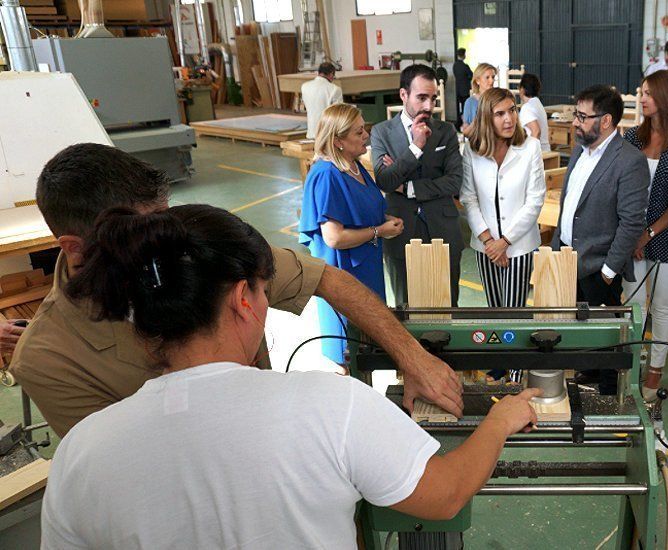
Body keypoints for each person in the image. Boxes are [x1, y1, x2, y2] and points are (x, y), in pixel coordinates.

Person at [40, 204, 541, 549]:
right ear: (243, 299)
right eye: (262, 290)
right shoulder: (331, 406)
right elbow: (446, 493)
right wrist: (501, 419)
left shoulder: (81, 454)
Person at [10, 144, 463, 438]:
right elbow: (131, 475)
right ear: (76, 249)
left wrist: (412, 355)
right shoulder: (50, 359)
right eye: (144, 233)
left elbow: (326, 277)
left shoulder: (195, 246)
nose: (169, 241)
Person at [551, 85, 649, 395]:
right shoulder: (579, 149)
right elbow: (569, 203)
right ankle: (587, 373)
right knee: (578, 326)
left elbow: (631, 221)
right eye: (575, 114)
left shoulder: (629, 160)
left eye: (582, 116)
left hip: (598, 267)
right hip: (567, 258)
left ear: (605, 121)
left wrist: (608, 270)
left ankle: (608, 394)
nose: (575, 122)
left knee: (605, 334)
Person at [298, 104, 403, 363]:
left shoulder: (354, 167)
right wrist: (379, 230)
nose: (366, 135)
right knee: (347, 354)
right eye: (358, 132)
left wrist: (385, 221)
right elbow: (334, 237)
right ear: (338, 141)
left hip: (366, 269)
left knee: (366, 348)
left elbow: (359, 212)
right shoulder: (326, 175)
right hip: (344, 276)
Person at [622, 70, 668, 400]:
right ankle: (632, 364)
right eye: (642, 92)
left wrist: (647, 234)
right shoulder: (633, 138)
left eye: (649, 93)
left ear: (667, 97)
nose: (642, 98)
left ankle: (655, 371)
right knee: (633, 304)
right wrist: (632, 234)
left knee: (662, 305)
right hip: (631, 233)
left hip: (665, 234)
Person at [371, 65, 465, 306]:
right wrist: (416, 147)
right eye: (421, 98)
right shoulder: (382, 132)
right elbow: (385, 180)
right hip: (400, 229)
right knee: (406, 306)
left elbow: (454, 181)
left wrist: (408, 188)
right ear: (403, 95)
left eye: (432, 98)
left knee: (448, 304)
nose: (428, 106)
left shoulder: (446, 131)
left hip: (443, 229)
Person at [461, 87, 545, 309]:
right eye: (499, 114)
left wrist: (504, 242)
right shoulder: (472, 150)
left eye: (512, 110)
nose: (508, 119)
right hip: (485, 246)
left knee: (513, 313)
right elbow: (468, 198)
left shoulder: (530, 147)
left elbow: (535, 200)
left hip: (519, 246)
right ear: (487, 117)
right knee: (494, 310)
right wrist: (490, 242)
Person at [301, 62, 343, 139]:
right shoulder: (335, 89)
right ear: (331, 74)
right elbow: (338, 114)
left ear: (319, 72)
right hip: (328, 135)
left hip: (311, 133)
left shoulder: (305, 86)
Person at [518, 73, 551, 152]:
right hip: (545, 150)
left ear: (522, 89)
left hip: (538, 153)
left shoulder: (527, 107)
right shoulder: (538, 103)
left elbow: (536, 131)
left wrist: (530, 154)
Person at [462, 63, 497, 134]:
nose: (491, 81)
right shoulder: (470, 102)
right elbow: (466, 130)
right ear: (477, 81)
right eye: (487, 77)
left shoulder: (498, 99)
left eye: (493, 77)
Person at [452, 48, 474, 127]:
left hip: (458, 89)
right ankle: (465, 123)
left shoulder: (455, 65)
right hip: (465, 90)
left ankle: (459, 123)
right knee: (466, 108)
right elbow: (471, 75)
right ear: (463, 55)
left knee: (459, 108)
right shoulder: (465, 66)